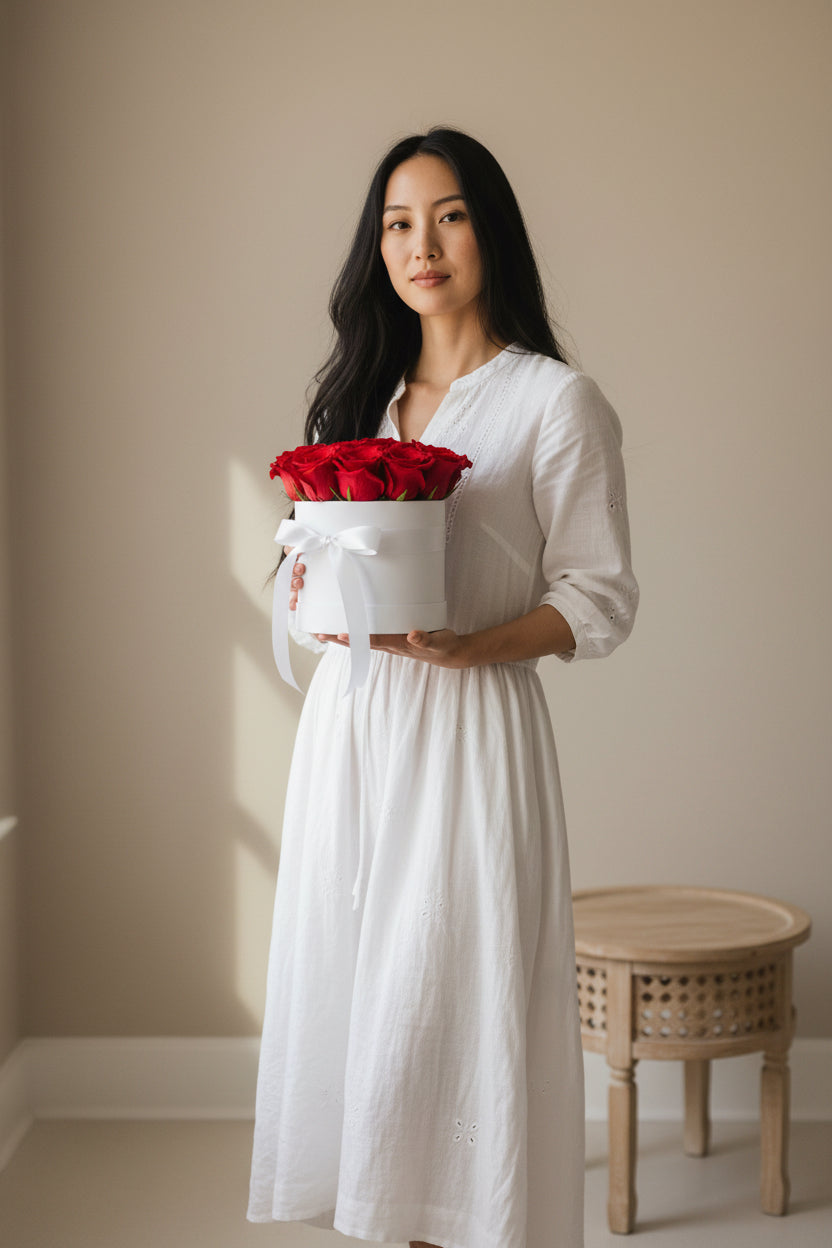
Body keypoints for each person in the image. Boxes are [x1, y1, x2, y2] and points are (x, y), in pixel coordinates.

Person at [247, 126, 639, 1248]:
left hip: (471, 735)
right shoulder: (353, 403)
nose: (422, 245)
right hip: (349, 736)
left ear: (491, 231)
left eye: (449, 214)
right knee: (360, 996)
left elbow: (600, 599)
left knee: (449, 1003)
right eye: (397, 223)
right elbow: (308, 588)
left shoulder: (554, 404)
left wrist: (474, 644)